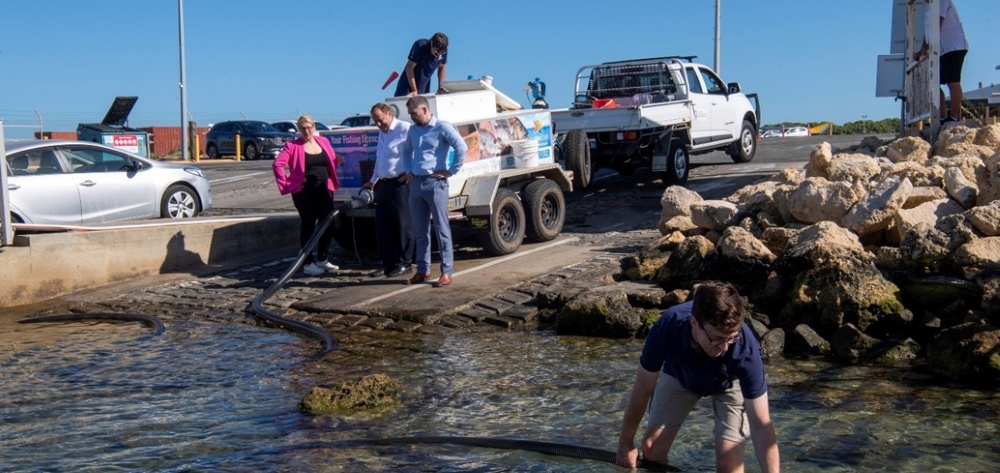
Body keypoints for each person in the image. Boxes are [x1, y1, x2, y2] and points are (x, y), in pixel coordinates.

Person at [615, 282, 780, 472]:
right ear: (695, 323)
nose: (725, 347)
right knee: (651, 449)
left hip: (730, 381)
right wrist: (625, 444)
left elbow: (761, 424)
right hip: (681, 372)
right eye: (716, 338)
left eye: (731, 338)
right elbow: (642, 390)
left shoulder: (745, 349)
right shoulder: (668, 326)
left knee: (728, 465)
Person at [401, 95, 467, 287]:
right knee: (420, 230)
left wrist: (451, 170)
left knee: (441, 229)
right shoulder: (413, 130)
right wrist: (408, 170)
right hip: (416, 183)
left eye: (414, 114)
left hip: (435, 183)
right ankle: (423, 270)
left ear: (424, 110)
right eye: (410, 114)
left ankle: (446, 271)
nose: (412, 117)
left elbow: (461, 146)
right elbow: (406, 150)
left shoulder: (442, 127)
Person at [272, 114, 341, 276]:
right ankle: (308, 263)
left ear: (314, 127)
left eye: (309, 127)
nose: (307, 131)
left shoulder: (323, 142)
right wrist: (287, 185)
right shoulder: (292, 146)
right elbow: (277, 165)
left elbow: (331, 160)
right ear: (299, 129)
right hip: (304, 192)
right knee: (309, 225)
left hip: (324, 190)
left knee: (328, 223)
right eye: (303, 128)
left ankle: (322, 259)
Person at [363, 103, 415, 278]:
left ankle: (404, 262)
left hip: (400, 183)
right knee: (383, 225)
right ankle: (387, 263)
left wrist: (411, 171)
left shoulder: (405, 129)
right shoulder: (382, 133)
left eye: (380, 120)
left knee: (403, 224)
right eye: (375, 121)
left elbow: (419, 151)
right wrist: (372, 181)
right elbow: (380, 159)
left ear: (388, 114)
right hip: (383, 183)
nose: (378, 124)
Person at [916, 0, 968, 124]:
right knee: (934, 83)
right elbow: (928, 30)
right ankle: (941, 116)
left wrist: (928, 46)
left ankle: (954, 116)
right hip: (940, 50)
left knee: (952, 81)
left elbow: (938, 23)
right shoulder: (928, 6)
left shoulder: (941, 1)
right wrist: (922, 47)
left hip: (953, 46)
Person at [393, 32, 448, 97]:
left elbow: (442, 66)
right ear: (431, 43)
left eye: (441, 52)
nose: (438, 54)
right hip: (406, 88)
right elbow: (409, 67)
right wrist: (414, 90)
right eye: (436, 51)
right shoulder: (420, 45)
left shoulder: (443, 52)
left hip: (423, 89)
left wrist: (440, 87)